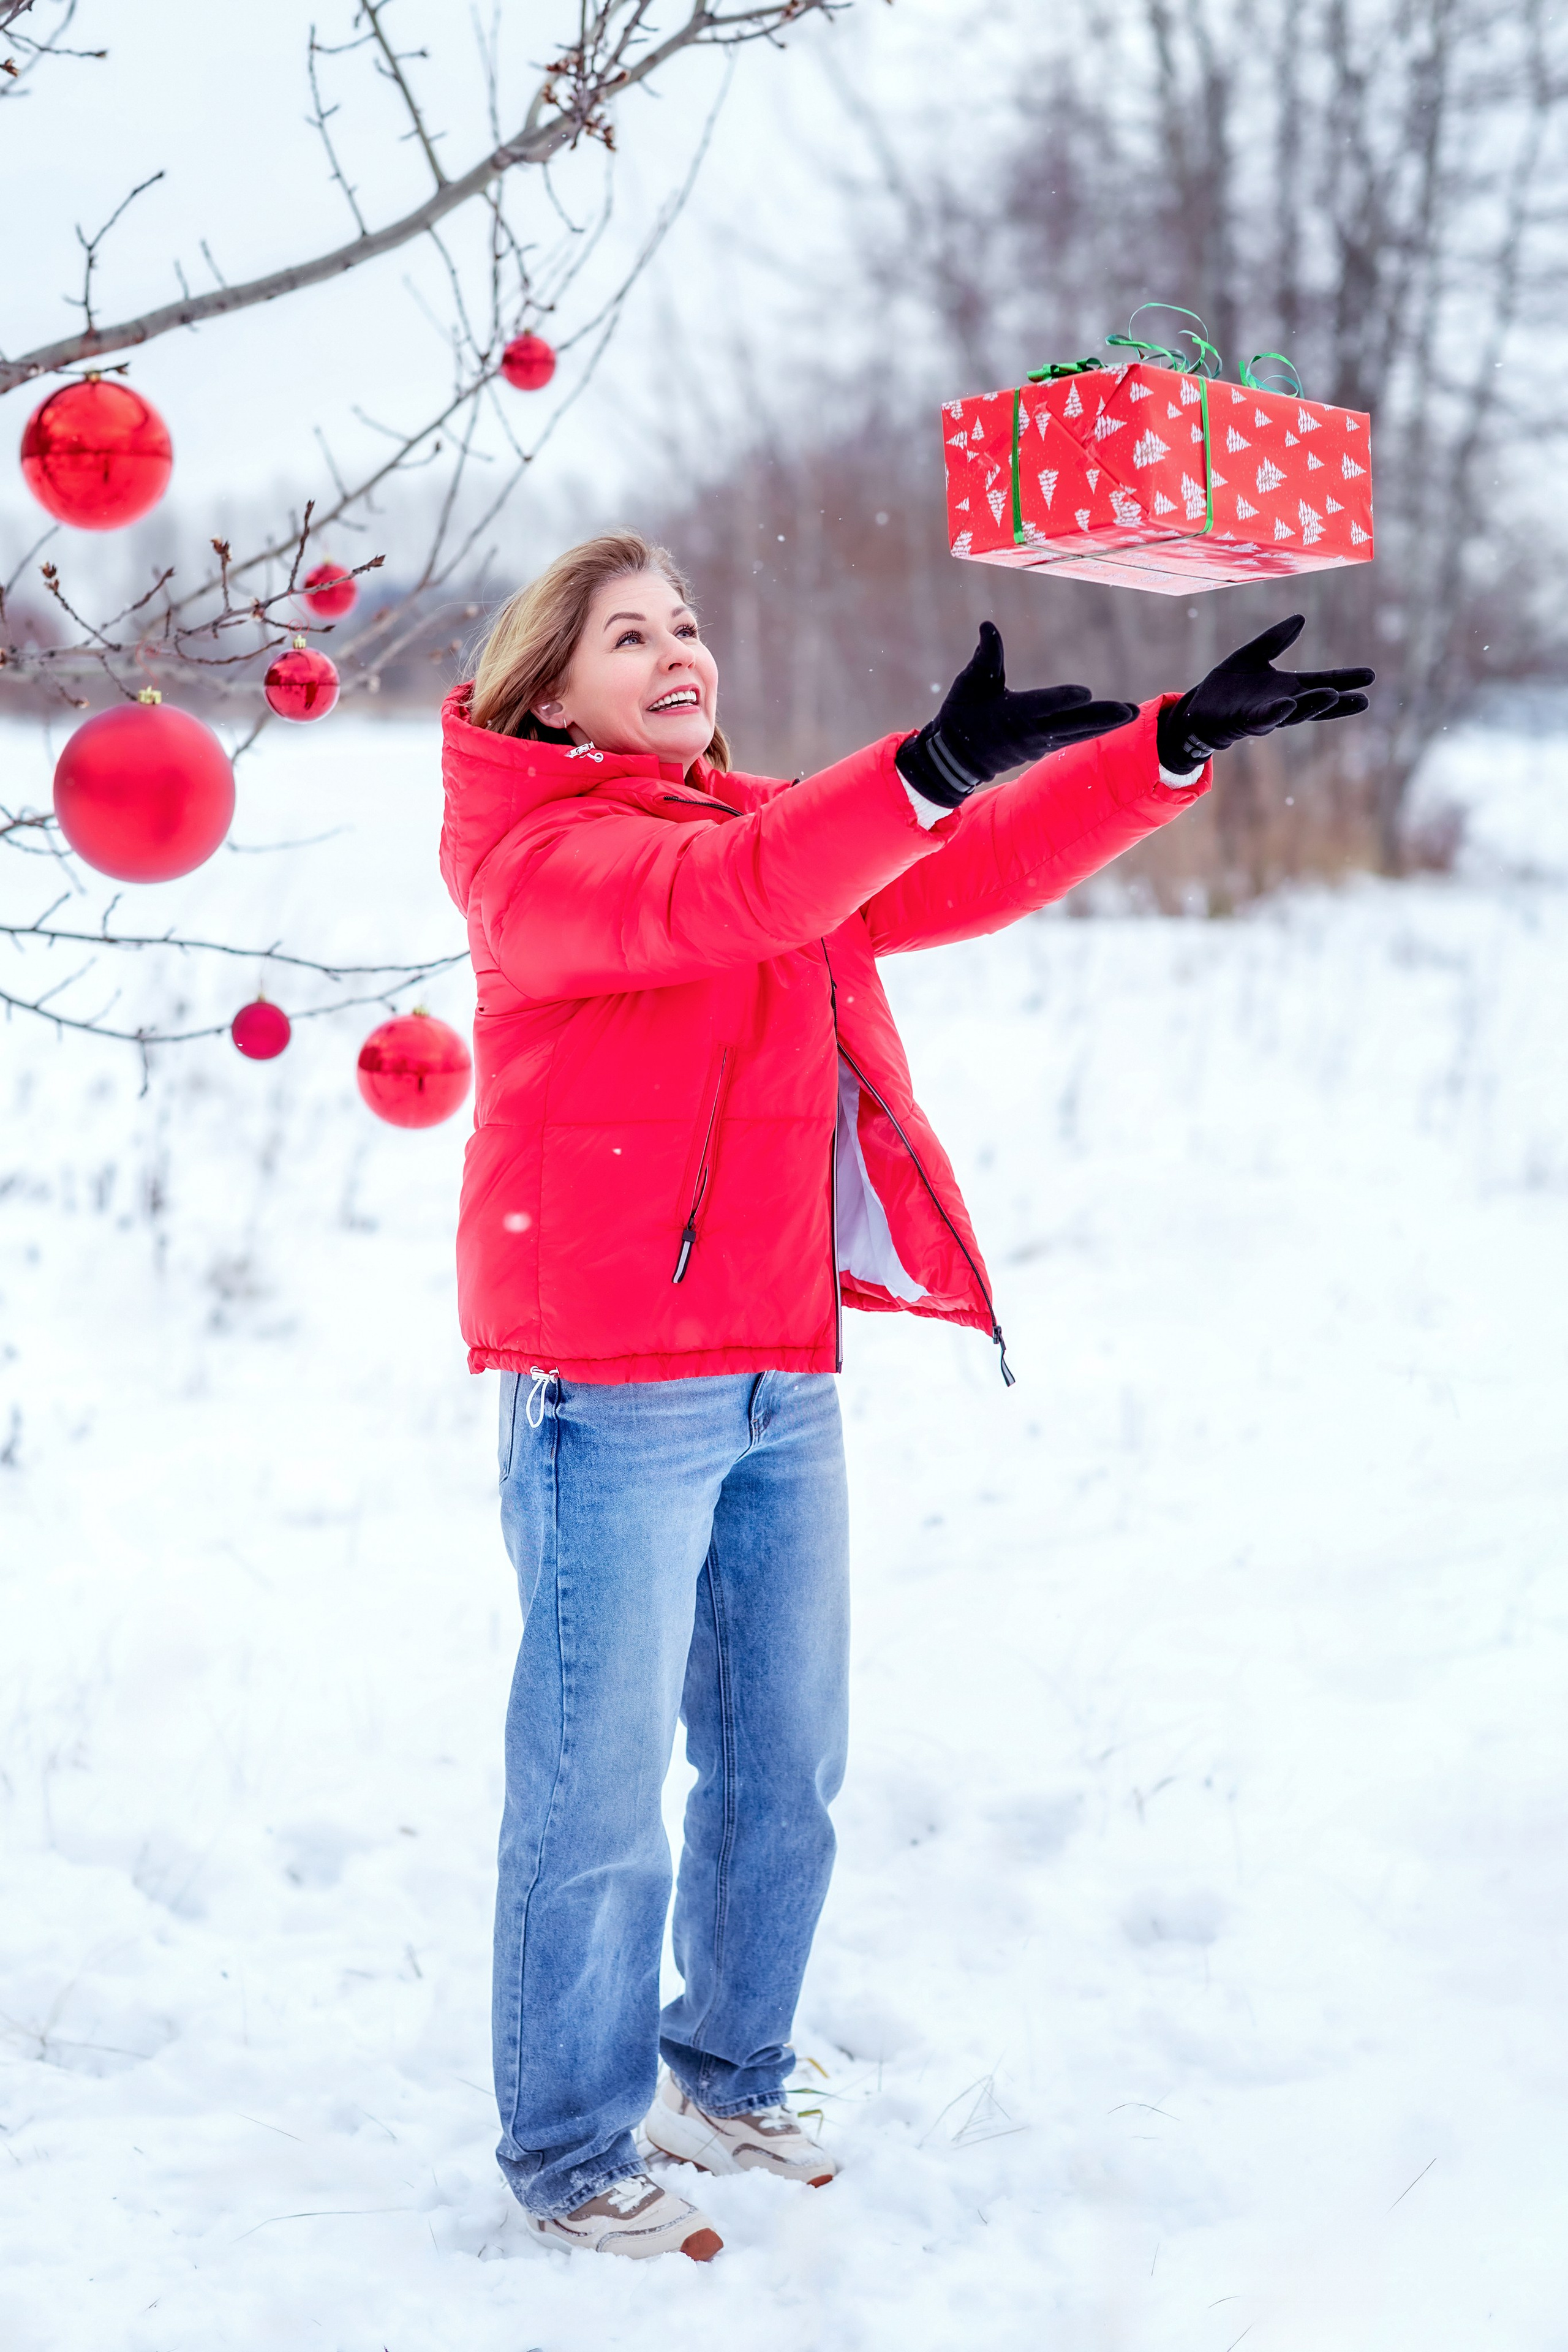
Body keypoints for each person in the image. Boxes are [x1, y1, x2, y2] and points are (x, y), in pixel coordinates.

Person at [437, 530, 1373, 2260]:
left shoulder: (745, 823)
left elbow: (958, 868)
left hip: (781, 1359)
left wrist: (1164, 742)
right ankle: (568, 2148)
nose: (679, 652)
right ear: (548, 688)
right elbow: (744, 902)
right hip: (613, 1386)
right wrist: (922, 769)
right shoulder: (539, 858)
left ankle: (725, 2067)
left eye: (689, 624)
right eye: (627, 635)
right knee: (595, 1793)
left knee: (784, 1762)